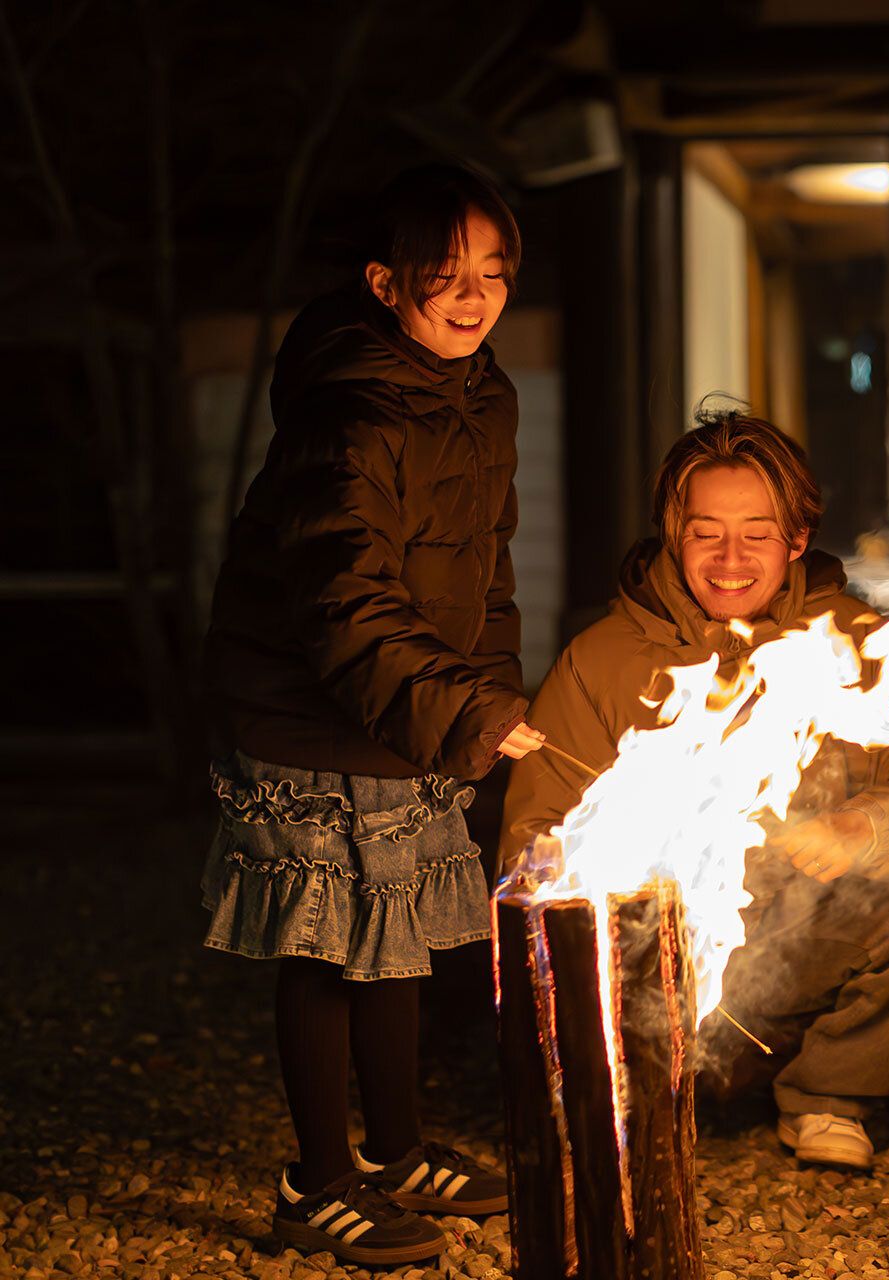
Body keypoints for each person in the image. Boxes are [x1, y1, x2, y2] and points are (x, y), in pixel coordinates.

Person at [501, 411, 889, 1172]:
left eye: (757, 532)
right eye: (707, 532)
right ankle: (637, 1099)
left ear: (796, 539)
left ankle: (829, 1096)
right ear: (675, 534)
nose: (731, 557)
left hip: (794, 964)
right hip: (652, 981)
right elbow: (532, 834)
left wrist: (866, 830)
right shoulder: (600, 662)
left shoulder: (858, 645)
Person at [201, 166, 542, 1265]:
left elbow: (484, 567)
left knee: (395, 941)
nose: (474, 293)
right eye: (445, 274)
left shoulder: (482, 393)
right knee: (327, 944)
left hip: (407, 707)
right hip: (306, 712)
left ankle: (395, 1154)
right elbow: (344, 593)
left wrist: (489, 696)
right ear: (387, 283)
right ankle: (316, 1182)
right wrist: (463, 707)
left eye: (494, 271)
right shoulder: (350, 411)